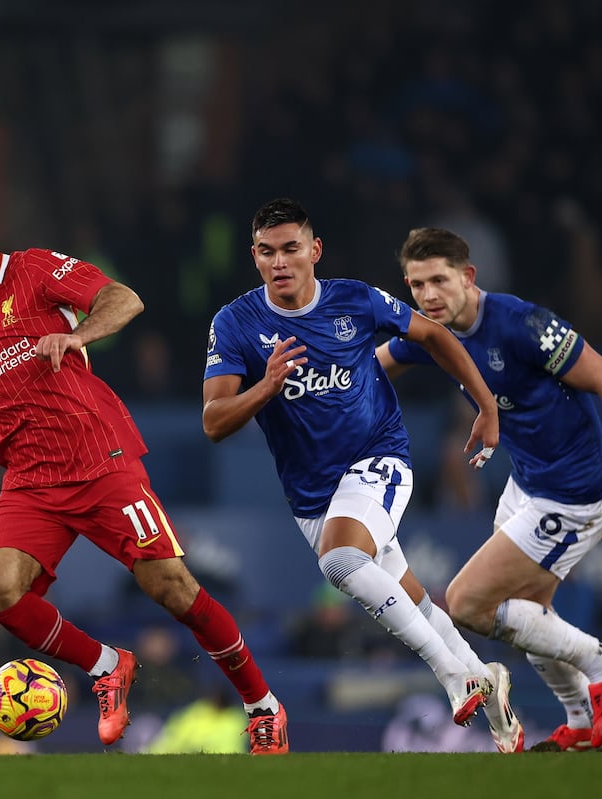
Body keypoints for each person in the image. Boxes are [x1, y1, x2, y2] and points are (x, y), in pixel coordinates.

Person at [0, 194, 288, 755]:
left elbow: (125, 299)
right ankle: (107, 665)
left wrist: (79, 335)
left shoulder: (34, 269)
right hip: (29, 480)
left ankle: (263, 707)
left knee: (172, 588)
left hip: (97, 458)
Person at [202, 197, 524, 753]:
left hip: (378, 458)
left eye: (291, 249)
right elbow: (213, 422)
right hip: (312, 496)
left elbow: (435, 336)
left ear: (314, 251)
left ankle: (455, 676)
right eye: (267, 251)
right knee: (414, 600)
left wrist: (487, 406)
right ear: (254, 256)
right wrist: (266, 386)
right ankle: (494, 698)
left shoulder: (354, 299)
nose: (280, 262)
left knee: (340, 559)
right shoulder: (235, 323)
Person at [375, 226, 602, 751]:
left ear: (468, 277)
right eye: (416, 285)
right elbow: (372, 367)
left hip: (576, 492)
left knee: (468, 602)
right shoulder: (431, 334)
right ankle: (583, 726)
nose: (428, 296)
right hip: (528, 482)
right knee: (528, 618)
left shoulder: (523, 324)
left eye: (439, 281)